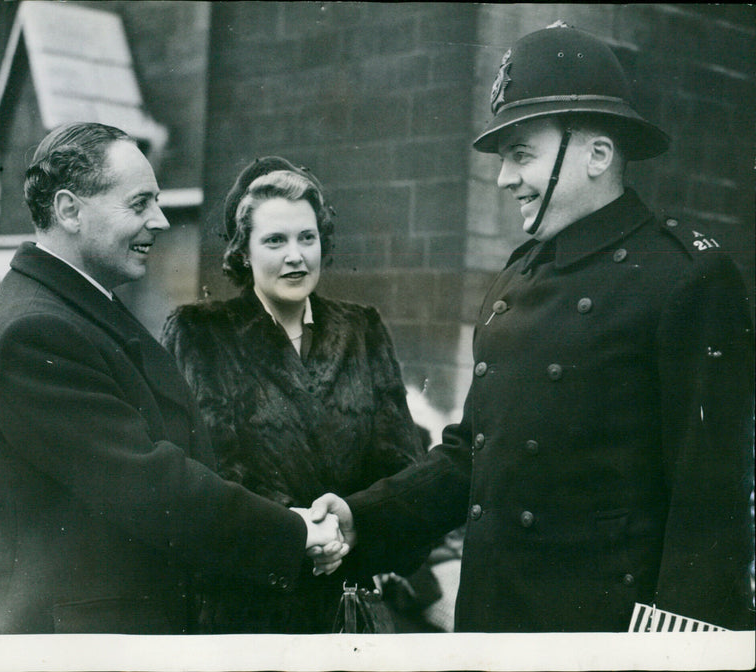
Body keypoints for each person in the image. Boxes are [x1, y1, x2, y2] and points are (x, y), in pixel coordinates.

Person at [310, 23, 755, 632]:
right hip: (493, 622)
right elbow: (471, 456)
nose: (503, 178)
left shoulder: (686, 277)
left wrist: (676, 656)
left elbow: (708, 508)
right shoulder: (517, 276)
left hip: (597, 641)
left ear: (598, 155)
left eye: (522, 155)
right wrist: (364, 516)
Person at [0, 123, 343, 635]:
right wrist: (292, 532)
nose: (160, 220)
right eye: (139, 203)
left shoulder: (72, 307)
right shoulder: (34, 332)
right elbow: (147, 484)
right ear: (69, 210)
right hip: (69, 650)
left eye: (158, 202)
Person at [161, 157, 426, 633]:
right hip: (245, 611)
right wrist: (299, 534)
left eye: (307, 237)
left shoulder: (361, 329)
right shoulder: (201, 333)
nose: (296, 256)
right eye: (274, 241)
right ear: (243, 252)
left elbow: (401, 466)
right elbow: (210, 471)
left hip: (346, 607)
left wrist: (352, 534)